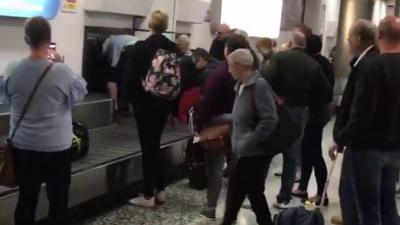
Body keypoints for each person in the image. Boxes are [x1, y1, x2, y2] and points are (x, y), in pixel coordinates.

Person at [0, 16, 87, 225]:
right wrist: (60, 64)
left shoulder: (12, 69)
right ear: (49, 39)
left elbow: (6, 97)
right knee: (58, 201)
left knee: (26, 200)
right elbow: (80, 93)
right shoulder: (62, 71)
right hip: (56, 148)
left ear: (26, 39)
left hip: (24, 146)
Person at [331, 16, 400, 225]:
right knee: (387, 203)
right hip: (394, 146)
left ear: (379, 35)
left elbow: (362, 112)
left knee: (365, 208)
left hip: (367, 147)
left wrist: (341, 138)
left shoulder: (373, 66)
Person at [263, 31, 332, 209]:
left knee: (266, 153)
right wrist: (307, 102)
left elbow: (265, 81)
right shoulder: (313, 64)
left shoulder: (280, 58)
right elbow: (325, 92)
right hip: (301, 111)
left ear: (292, 42)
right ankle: (284, 197)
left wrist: (276, 98)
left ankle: (257, 192)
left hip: (278, 109)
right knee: (291, 156)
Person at [196, 34, 254, 221]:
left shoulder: (221, 72)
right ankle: (232, 210)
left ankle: (212, 207)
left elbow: (208, 100)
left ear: (227, 51)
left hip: (219, 123)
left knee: (215, 166)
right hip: (242, 123)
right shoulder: (252, 72)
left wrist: (200, 124)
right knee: (236, 168)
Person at [124, 10, 177, 208]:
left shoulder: (141, 47)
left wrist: (130, 100)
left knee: (148, 146)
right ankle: (161, 189)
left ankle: (148, 194)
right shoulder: (173, 48)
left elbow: (129, 78)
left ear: (150, 25)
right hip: (164, 103)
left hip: (144, 104)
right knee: (156, 144)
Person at [329, 19, 378, 225]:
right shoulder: (373, 62)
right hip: (373, 141)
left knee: (350, 191)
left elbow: (359, 109)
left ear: (358, 39)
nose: (347, 43)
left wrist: (341, 137)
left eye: (349, 38)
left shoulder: (366, 66)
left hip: (361, 143)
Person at [222, 49, 278, 225]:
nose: (229, 70)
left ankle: (227, 221)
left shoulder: (259, 85)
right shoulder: (240, 86)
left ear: (240, 66)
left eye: (231, 66)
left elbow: (270, 118)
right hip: (242, 150)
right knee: (254, 192)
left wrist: (250, 139)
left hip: (254, 152)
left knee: (235, 191)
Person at [292, 34, 335, 205]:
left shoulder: (312, 64)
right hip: (321, 110)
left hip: (316, 111)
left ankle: (321, 194)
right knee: (307, 149)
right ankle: (303, 187)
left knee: (314, 152)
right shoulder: (324, 61)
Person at [102, 34, 137, 112]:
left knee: (111, 78)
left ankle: (114, 105)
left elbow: (106, 53)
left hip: (129, 49)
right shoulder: (121, 37)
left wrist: (112, 67)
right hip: (139, 48)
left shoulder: (110, 40)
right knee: (130, 78)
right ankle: (132, 106)